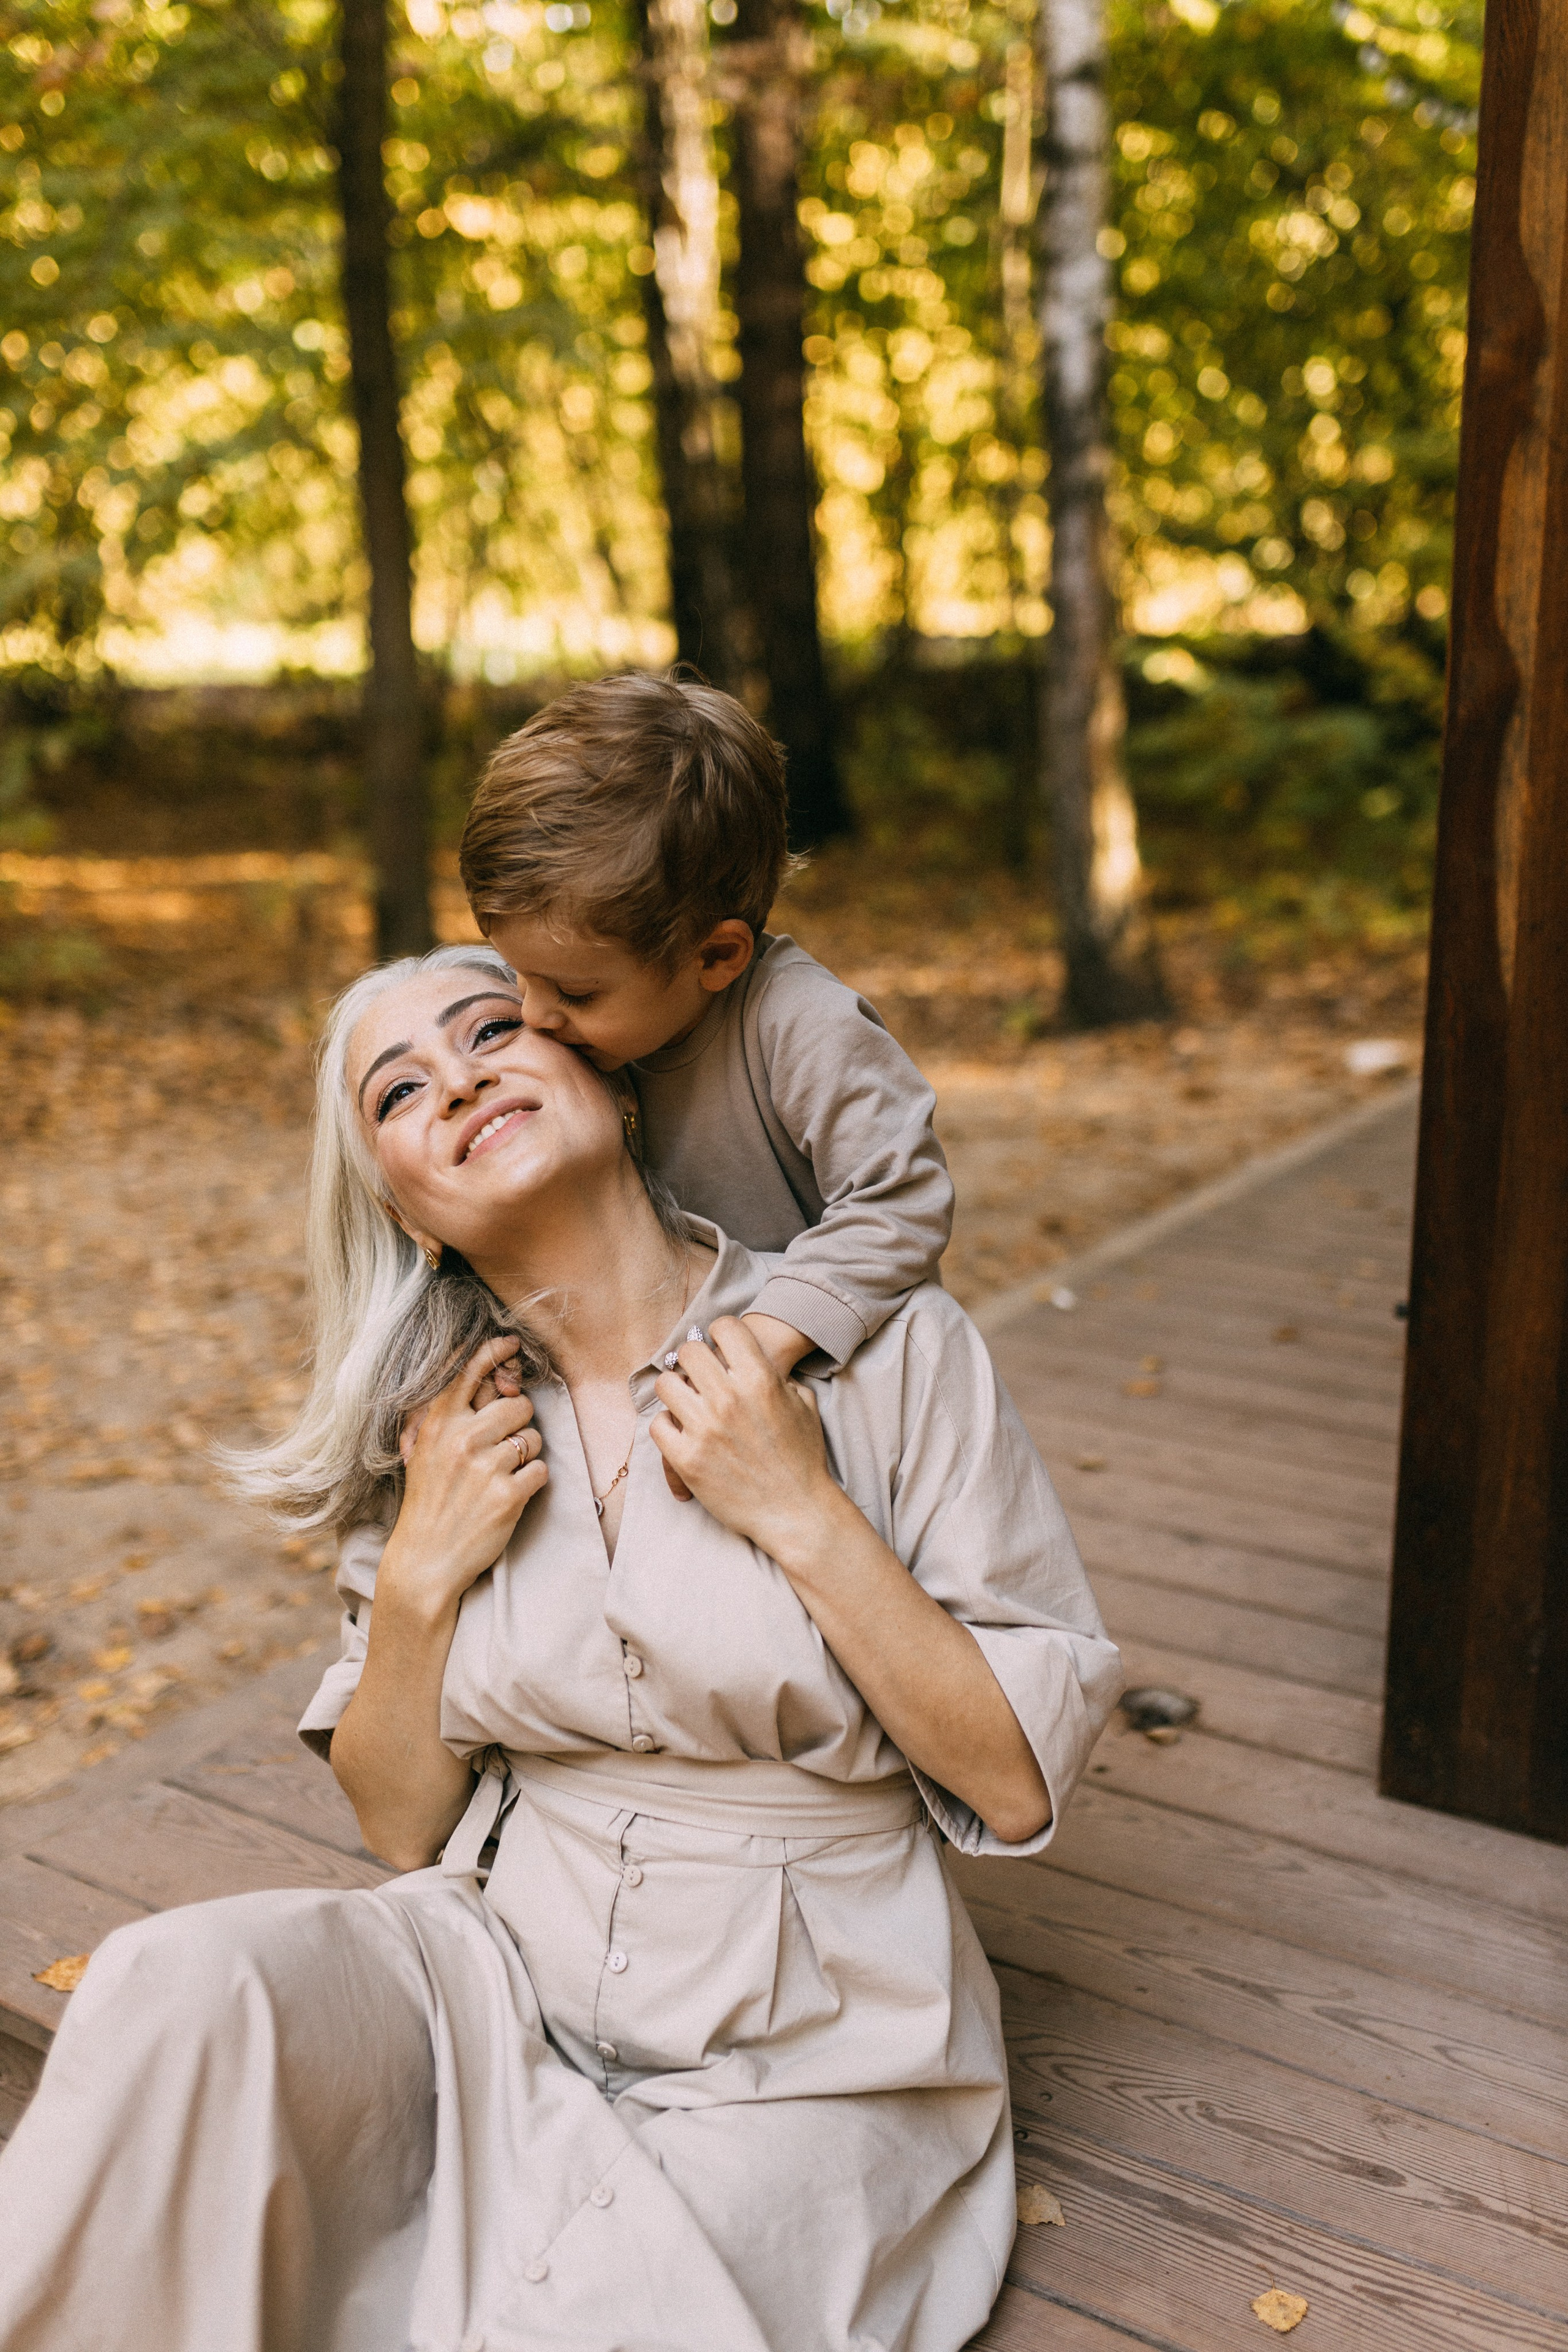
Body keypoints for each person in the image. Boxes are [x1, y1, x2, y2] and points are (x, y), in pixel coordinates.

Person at [0, 946, 1122, 2352]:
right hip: (496, 1978)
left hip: (810, 2046)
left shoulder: (885, 1354)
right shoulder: (440, 1424)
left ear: (607, 1073)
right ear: (400, 1206)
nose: (457, 1080)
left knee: (587, 2313)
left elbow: (1011, 1781)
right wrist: (420, 1574)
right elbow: (400, 1825)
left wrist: (798, 1508)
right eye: (398, 1090)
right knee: (176, 1985)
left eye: (490, 1029)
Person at [458, 669, 955, 1385]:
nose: (534, 1014)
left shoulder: (803, 1028)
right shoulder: (586, 1036)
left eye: (575, 991)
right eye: (518, 975)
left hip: (840, 1382)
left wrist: (766, 1339)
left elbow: (902, 1198)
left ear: (716, 957)